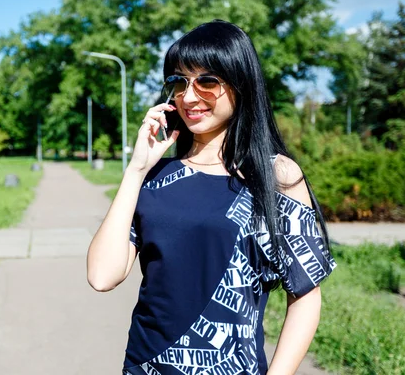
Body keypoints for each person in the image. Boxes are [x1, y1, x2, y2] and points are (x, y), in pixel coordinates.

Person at [86, 20, 336, 375]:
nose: (188, 97)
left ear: (241, 84)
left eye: (207, 81)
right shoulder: (155, 177)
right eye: (178, 81)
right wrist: (136, 169)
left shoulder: (276, 176)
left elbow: (306, 294)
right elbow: (101, 276)